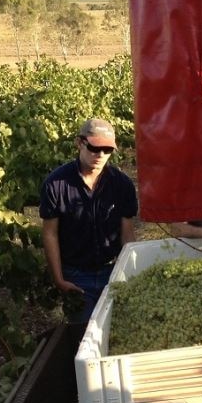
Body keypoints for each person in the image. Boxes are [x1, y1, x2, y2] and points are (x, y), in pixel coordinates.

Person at [39, 118, 138, 322]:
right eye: (94, 147)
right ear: (79, 143)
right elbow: (50, 233)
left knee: (117, 329)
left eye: (107, 150)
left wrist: (129, 271)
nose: (100, 155)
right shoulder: (56, 184)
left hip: (112, 271)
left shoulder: (122, 185)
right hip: (76, 275)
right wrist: (59, 279)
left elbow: (127, 233)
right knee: (83, 333)